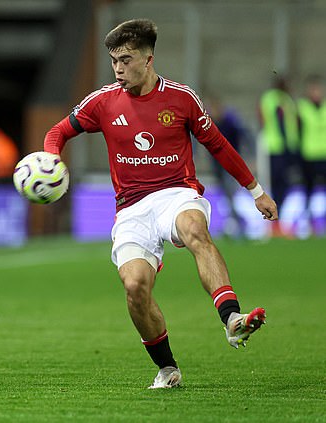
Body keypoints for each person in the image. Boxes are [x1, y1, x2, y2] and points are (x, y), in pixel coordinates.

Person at [42, 19, 278, 389]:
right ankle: (167, 368)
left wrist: (255, 190)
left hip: (177, 193)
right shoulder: (103, 101)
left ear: (148, 59)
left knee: (193, 229)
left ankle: (231, 319)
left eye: (126, 59)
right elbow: (57, 131)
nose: (118, 68)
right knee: (135, 286)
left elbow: (218, 145)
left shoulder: (181, 98)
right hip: (131, 208)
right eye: (113, 60)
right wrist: (51, 158)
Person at [206, 94, 252, 237]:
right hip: (218, 166)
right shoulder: (210, 123)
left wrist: (249, 157)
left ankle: (238, 223)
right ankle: (236, 222)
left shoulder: (230, 122)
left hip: (231, 165)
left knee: (230, 195)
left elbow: (245, 136)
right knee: (227, 196)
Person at [259, 75, 300, 216]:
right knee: (277, 181)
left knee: (285, 182)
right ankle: (275, 213)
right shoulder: (271, 98)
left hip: (287, 147)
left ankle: (279, 212)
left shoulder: (287, 100)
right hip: (274, 147)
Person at [297, 74, 326, 234]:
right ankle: (307, 222)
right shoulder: (302, 108)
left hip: (324, 154)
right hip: (308, 154)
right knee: (308, 190)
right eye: (313, 90)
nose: (316, 93)